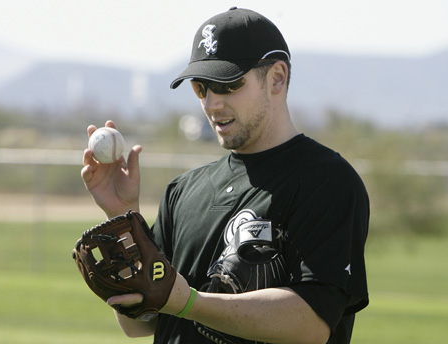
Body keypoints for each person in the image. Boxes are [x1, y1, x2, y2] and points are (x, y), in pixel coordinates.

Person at [81, 7, 369, 344]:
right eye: (202, 88)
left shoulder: (326, 181)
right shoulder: (183, 191)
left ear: (276, 78)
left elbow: (311, 324)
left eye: (228, 84)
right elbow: (140, 324)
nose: (212, 103)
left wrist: (189, 302)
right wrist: (123, 218)